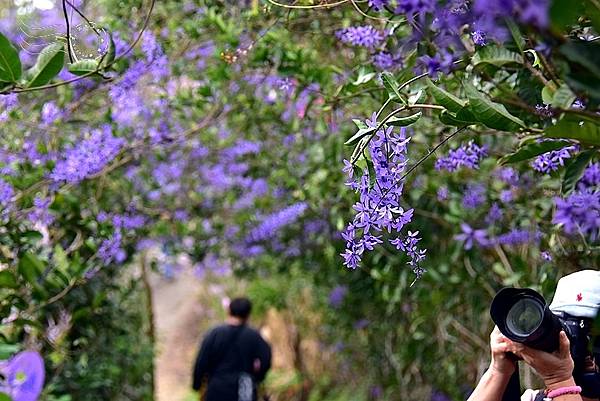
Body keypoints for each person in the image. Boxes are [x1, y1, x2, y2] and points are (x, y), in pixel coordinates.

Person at [468, 270, 600, 401]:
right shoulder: (534, 398)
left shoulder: (559, 382)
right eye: (567, 328)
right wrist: (498, 372)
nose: (569, 341)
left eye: (590, 334)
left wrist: (559, 379)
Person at [192, 297, 272, 401]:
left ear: (229, 311)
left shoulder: (214, 334)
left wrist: (197, 384)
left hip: (217, 388)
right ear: (248, 314)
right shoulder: (254, 336)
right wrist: (258, 377)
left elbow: (201, 361)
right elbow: (266, 358)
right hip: (244, 389)